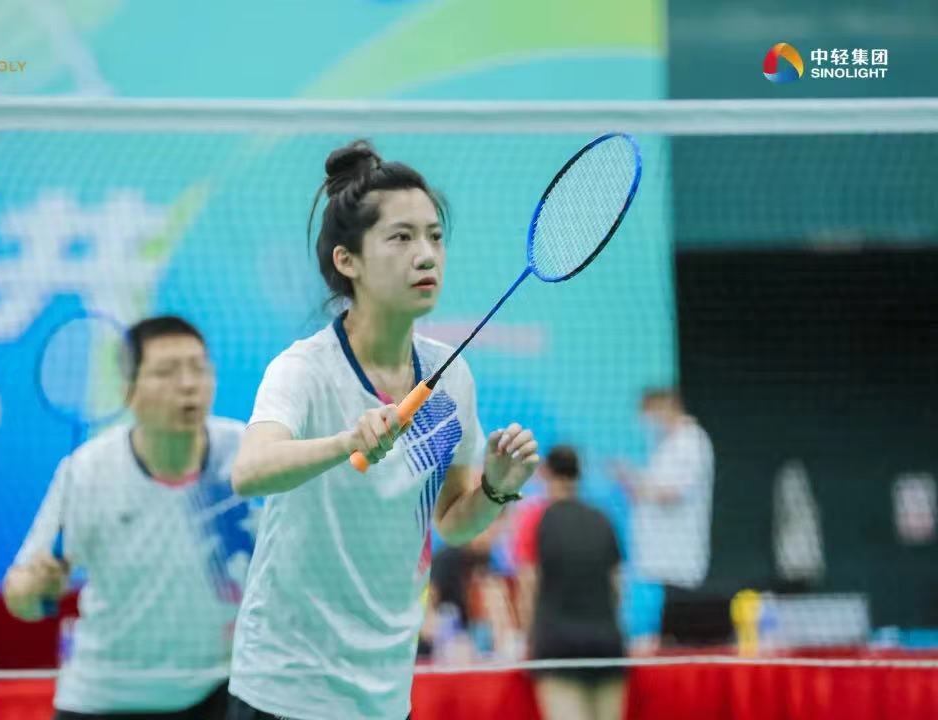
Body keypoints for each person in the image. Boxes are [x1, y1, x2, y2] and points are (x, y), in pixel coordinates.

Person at [227, 139, 540, 720]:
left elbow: (452, 521)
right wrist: (346, 442)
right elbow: (249, 472)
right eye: (401, 238)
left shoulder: (451, 378)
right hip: (287, 686)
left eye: (435, 237)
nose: (426, 256)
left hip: (385, 691)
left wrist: (496, 487)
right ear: (348, 261)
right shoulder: (305, 370)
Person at [4, 315, 254, 720]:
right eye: (166, 372)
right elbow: (20, 597)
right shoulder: (87, 471)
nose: (188, 384)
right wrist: (36, 588)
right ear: (127, 390)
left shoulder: (246, 453)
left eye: (198, 368)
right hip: (107, 697)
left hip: (220, 690)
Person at [513, 445, 625, 720]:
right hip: (606, 645)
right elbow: (617, 588)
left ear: (545, 473)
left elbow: (528, 585)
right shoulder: (603, 519)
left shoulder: (534, 519)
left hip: (558, 647)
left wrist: (528, 639)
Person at [611, 387, 715, 645]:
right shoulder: (666, 444)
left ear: (667, 407)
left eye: (650, 414)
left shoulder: (690, 442)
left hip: (677, 564)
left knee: (674, 639)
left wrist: (637, 484)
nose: (648, 423)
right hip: (654, 562)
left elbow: (674, 491)